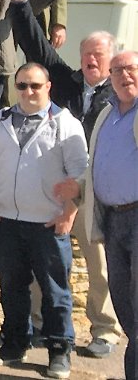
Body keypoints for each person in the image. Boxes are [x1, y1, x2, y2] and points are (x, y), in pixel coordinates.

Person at [8, 0, 125, 357]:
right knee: (46, 268)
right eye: (87, 53)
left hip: (96, 194)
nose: (91, 60)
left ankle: (105, 332)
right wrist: (21, 4)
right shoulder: (68, 82)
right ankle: (43, 327)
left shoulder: (122, 95)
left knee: (99, 267)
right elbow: (35, 45)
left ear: (112, 59)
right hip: (56, 192)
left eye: (99, 55)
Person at [0, 62, 86, 379]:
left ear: (48, 87)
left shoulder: (65, 123)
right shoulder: (2, 119)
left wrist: (69, 213)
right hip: (6, 221)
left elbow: (80, 175)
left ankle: (59, 350)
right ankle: (14, 343)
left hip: (48, 224)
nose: (27, 91)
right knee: (11, 288)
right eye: (22, 85)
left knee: (56, 293)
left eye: (35, 86)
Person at [82, 50, 138, 380]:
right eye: (116, 70)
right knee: (124, 305)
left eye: (130, 69)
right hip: (114, 221)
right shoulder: (107, 114)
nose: (123, 76)